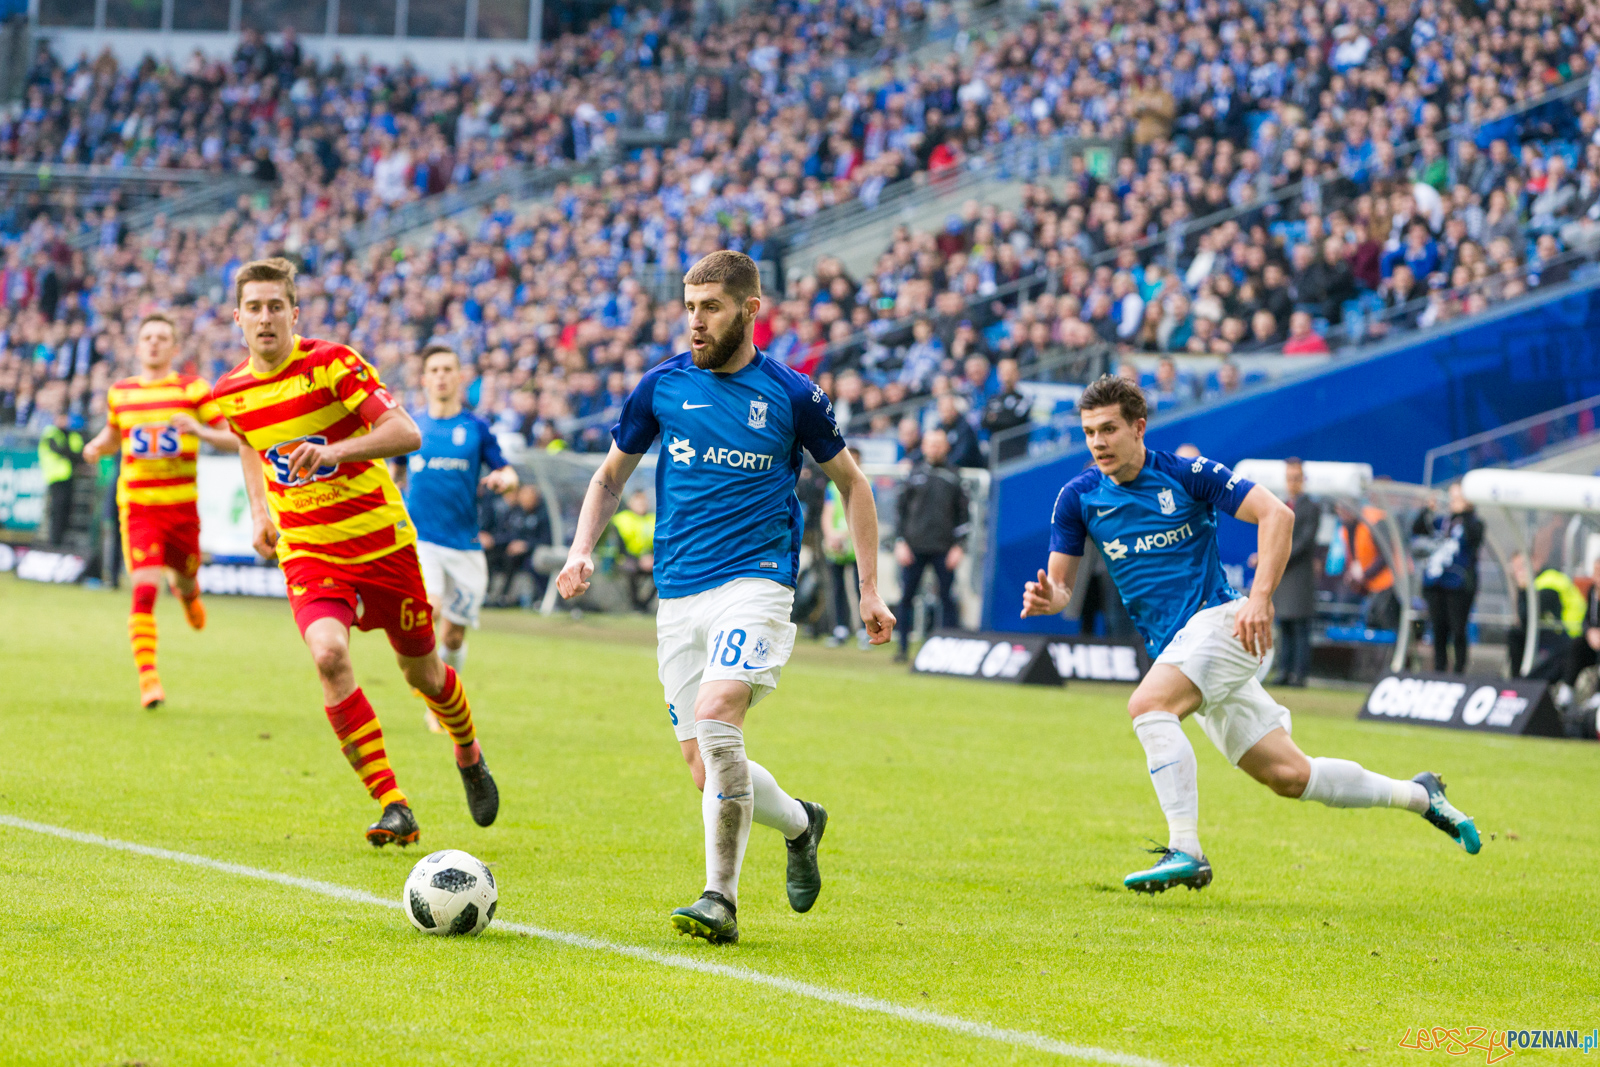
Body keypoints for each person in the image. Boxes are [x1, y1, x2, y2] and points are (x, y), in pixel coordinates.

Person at [1021, 375, 1480, 895]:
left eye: (1108, 429)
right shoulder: (1078, 497)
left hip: (1226, 623)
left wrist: (1261, 599)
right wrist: (1051, 598)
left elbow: (1275, 514)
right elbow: (1061, 585)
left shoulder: (1186, 474)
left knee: (1148, 706)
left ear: (1139, 427)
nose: (1098, 442)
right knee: (1291, 776)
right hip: (1180, 649)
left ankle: (1185, 849)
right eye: (1089, 432)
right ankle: (1420, 796)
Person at [556, 250, 895, 945]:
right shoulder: (662, 386)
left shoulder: (793, 395)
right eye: (689, 308)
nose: (696, 322)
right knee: (703, 766)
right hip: (678, 592)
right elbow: (609, 478)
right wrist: (581, 547)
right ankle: (800, 823)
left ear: (750, 309)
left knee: (717, 717)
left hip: (757, 582)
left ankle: (720, 899)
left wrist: (869, 589)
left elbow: (853, 484)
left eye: (710, 307)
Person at [211, 257, 499, 847]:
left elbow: (406, 432)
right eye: (254, 308)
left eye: (275, 307)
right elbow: (248, 443)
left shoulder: (332, 364)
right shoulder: (230, 391)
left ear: (294, 313)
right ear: (237, 318)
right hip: (310, 551)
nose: (265, 318)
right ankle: (393, 803)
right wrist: (261, 513)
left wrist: (335, 451)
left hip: (381, 545)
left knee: (424, 673)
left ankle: (468, 753)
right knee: (327, 654)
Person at [80, 312, 239, 708]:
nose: (153, 342)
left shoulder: (193, 390)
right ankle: (148, 678)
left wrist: (199, 431)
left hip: (181, 509)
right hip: (139, 508)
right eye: (147, 336)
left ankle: (188, 594)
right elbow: (114, 435)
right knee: (144, 587)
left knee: (184, 579)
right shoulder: (121, 393)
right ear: (137, 346)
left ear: (174, 347)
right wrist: (98, 446)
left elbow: (234, 438)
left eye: (162, 337)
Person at [402, 344, 519, 699]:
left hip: (464, 544)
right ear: (424, 379)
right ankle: (430, 690)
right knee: (430, 609)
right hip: (422, 540)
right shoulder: (410, 426)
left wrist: (503, 480)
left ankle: (440, 697)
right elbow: (393, 474)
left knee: (453, 637)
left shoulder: (475, 428)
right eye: (434, 370)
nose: (441, 376)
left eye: (447, 369)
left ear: (460, 377)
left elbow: (508, 472)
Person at [894, 427, 970, 662]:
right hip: (913, 547)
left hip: (944, 549)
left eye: (939, 444)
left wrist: (959, 547)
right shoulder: (913, 474)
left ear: (946, 447)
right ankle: (902, 649)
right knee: (906, 598)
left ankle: (949, 653)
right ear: (924, 446)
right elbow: (900, 512)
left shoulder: (954, 476)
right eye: (931, 443)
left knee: (947, 599)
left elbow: (964, 516)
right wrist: (900, 542)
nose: (935, 448)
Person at [1411, 482, 1484, 673]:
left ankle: (1459, 671)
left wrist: (1465, 512)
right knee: (1438, 630)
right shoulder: (1442, 522)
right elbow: (1418, 528)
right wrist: (1428, 509)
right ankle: (1439, 670)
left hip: (1459, 586)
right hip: (1436, 584)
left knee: (1458, 629)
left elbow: (1473, 537)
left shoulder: (1473, 523)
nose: (1453, 502)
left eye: (1458, 497)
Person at [1271, 458, 1320, 686]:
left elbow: (1305, 541)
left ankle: (1299, 674)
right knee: (1285, 625)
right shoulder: (1281, 504)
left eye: (1296, 478)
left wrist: (1279, 556)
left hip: (1299, 575)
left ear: (1303, 479)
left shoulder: (1311, 507)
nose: (1293, 482)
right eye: (1289, 478)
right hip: (1284, 575)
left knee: (1300, 627)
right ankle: (1284, 671)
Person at [1506, 552, 1584, 679]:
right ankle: (1517, 680)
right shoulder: (1539, 582)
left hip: (1568, 634)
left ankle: (1522, 682)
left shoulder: (1549, 583)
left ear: (1535, 563)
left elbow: (1527, 617)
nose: (1520, 572)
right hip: (1554, 631)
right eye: (1516, 569)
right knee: (1515, 634)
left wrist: (1522, 589)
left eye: (1523, 566)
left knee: (1518, 636)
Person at [821, 446, 869, 648]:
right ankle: (840, 628)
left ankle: (864, 630)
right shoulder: (832, 486)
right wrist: (830, 535)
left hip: (856, 546)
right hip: (837, 546)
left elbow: (866, 517)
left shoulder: (866, 484)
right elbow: (827, 513)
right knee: (837, 587)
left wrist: (845, 535)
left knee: (862, 588)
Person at [38, 406, 82, 547]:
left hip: (69, 477)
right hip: (55, 478)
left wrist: (69, 453)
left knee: (66, 510)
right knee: (56, 510)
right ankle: (54, 541)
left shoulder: (72, 434)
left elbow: (79, 454)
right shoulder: (51, 432)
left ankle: (61, 540)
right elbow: (59, 449)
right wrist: (69, 454)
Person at [612, 489, 657, 611]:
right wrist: (639, 560)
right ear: (630, 502)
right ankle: (634, 605)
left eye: (643, 500)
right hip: (626, 559)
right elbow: (619, 547)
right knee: (630, 569)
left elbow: (659, 543)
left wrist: (652, 557)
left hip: (650, 559)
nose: (641, 504)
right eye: (638, 500)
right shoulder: (621, 520)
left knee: (662, 569)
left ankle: (644, 605)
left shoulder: (654, 519)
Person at [980, 357, 1031, 465]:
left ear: (1017, 374)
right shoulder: (993, 398)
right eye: (1003, 372)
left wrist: (995, 418)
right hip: (996, 454)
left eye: (1010, 372)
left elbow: (1013, 420)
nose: (1007, 376)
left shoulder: (1024, 399)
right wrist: (1002, 417)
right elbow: (984, 421)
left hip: (1016, 452)